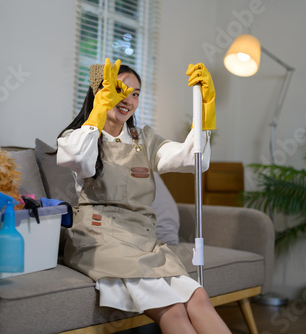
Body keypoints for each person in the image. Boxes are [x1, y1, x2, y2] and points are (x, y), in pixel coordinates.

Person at [56, 58, 230, 334]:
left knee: (198, 298)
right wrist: (99, 111)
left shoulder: (144, 139)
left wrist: (205, 110)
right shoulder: (80, 137)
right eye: (120, 89)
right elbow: (77, 157)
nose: (128, 99)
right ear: (100, 92)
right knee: (173, 311)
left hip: (145, 240)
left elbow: (194, 160)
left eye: (135, 93)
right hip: (102, 240)